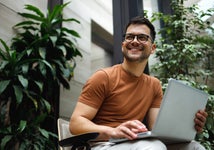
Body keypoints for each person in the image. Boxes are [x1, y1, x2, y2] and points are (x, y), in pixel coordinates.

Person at [69, 16, 208, 150]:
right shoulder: (103, 77)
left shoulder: (154, 85)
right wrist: (112, 131)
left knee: (195, 147)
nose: (134, 41)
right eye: (130, 37)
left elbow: (156, 130)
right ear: (123, 44)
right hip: (102, 144)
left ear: (152, 48)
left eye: (142, 37)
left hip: (135, 143)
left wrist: (188, 125)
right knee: (153, 147)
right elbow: (75, 124)